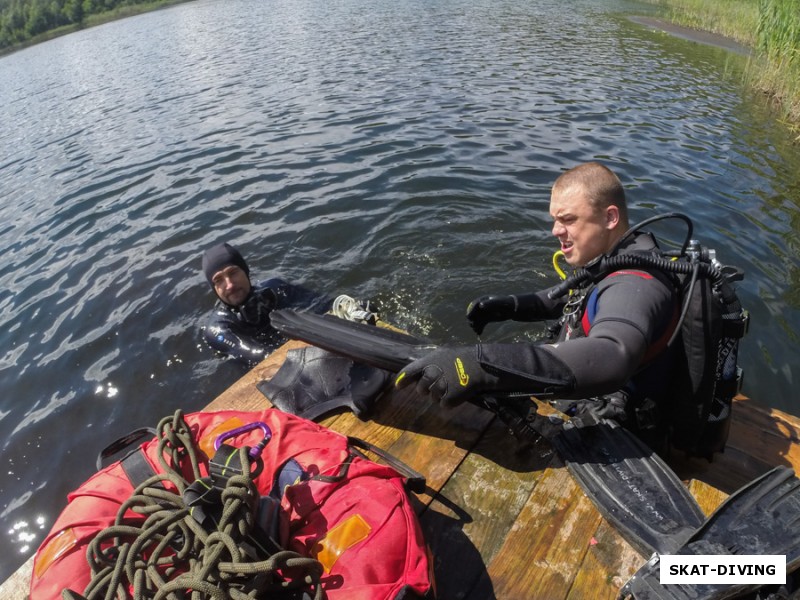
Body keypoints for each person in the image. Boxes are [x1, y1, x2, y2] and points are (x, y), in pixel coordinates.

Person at [395, 162, 679, 444]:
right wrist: (509, 306)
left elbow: (613, 353)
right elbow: (573, 296)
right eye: (554, 220)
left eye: (568, 219)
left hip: (621, 425)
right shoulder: (618, 256)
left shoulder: (634, 284)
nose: (556, 231)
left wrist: (481, 364)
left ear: (610, 217)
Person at [201, 242, 375, 366]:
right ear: (214, 288)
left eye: (233, 272)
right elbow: (259, 357)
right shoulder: (219, 329)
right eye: (219, 280)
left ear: (246, 271)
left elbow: (323, 303)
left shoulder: (275, 288)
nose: (229, 284)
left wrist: (348, 308)